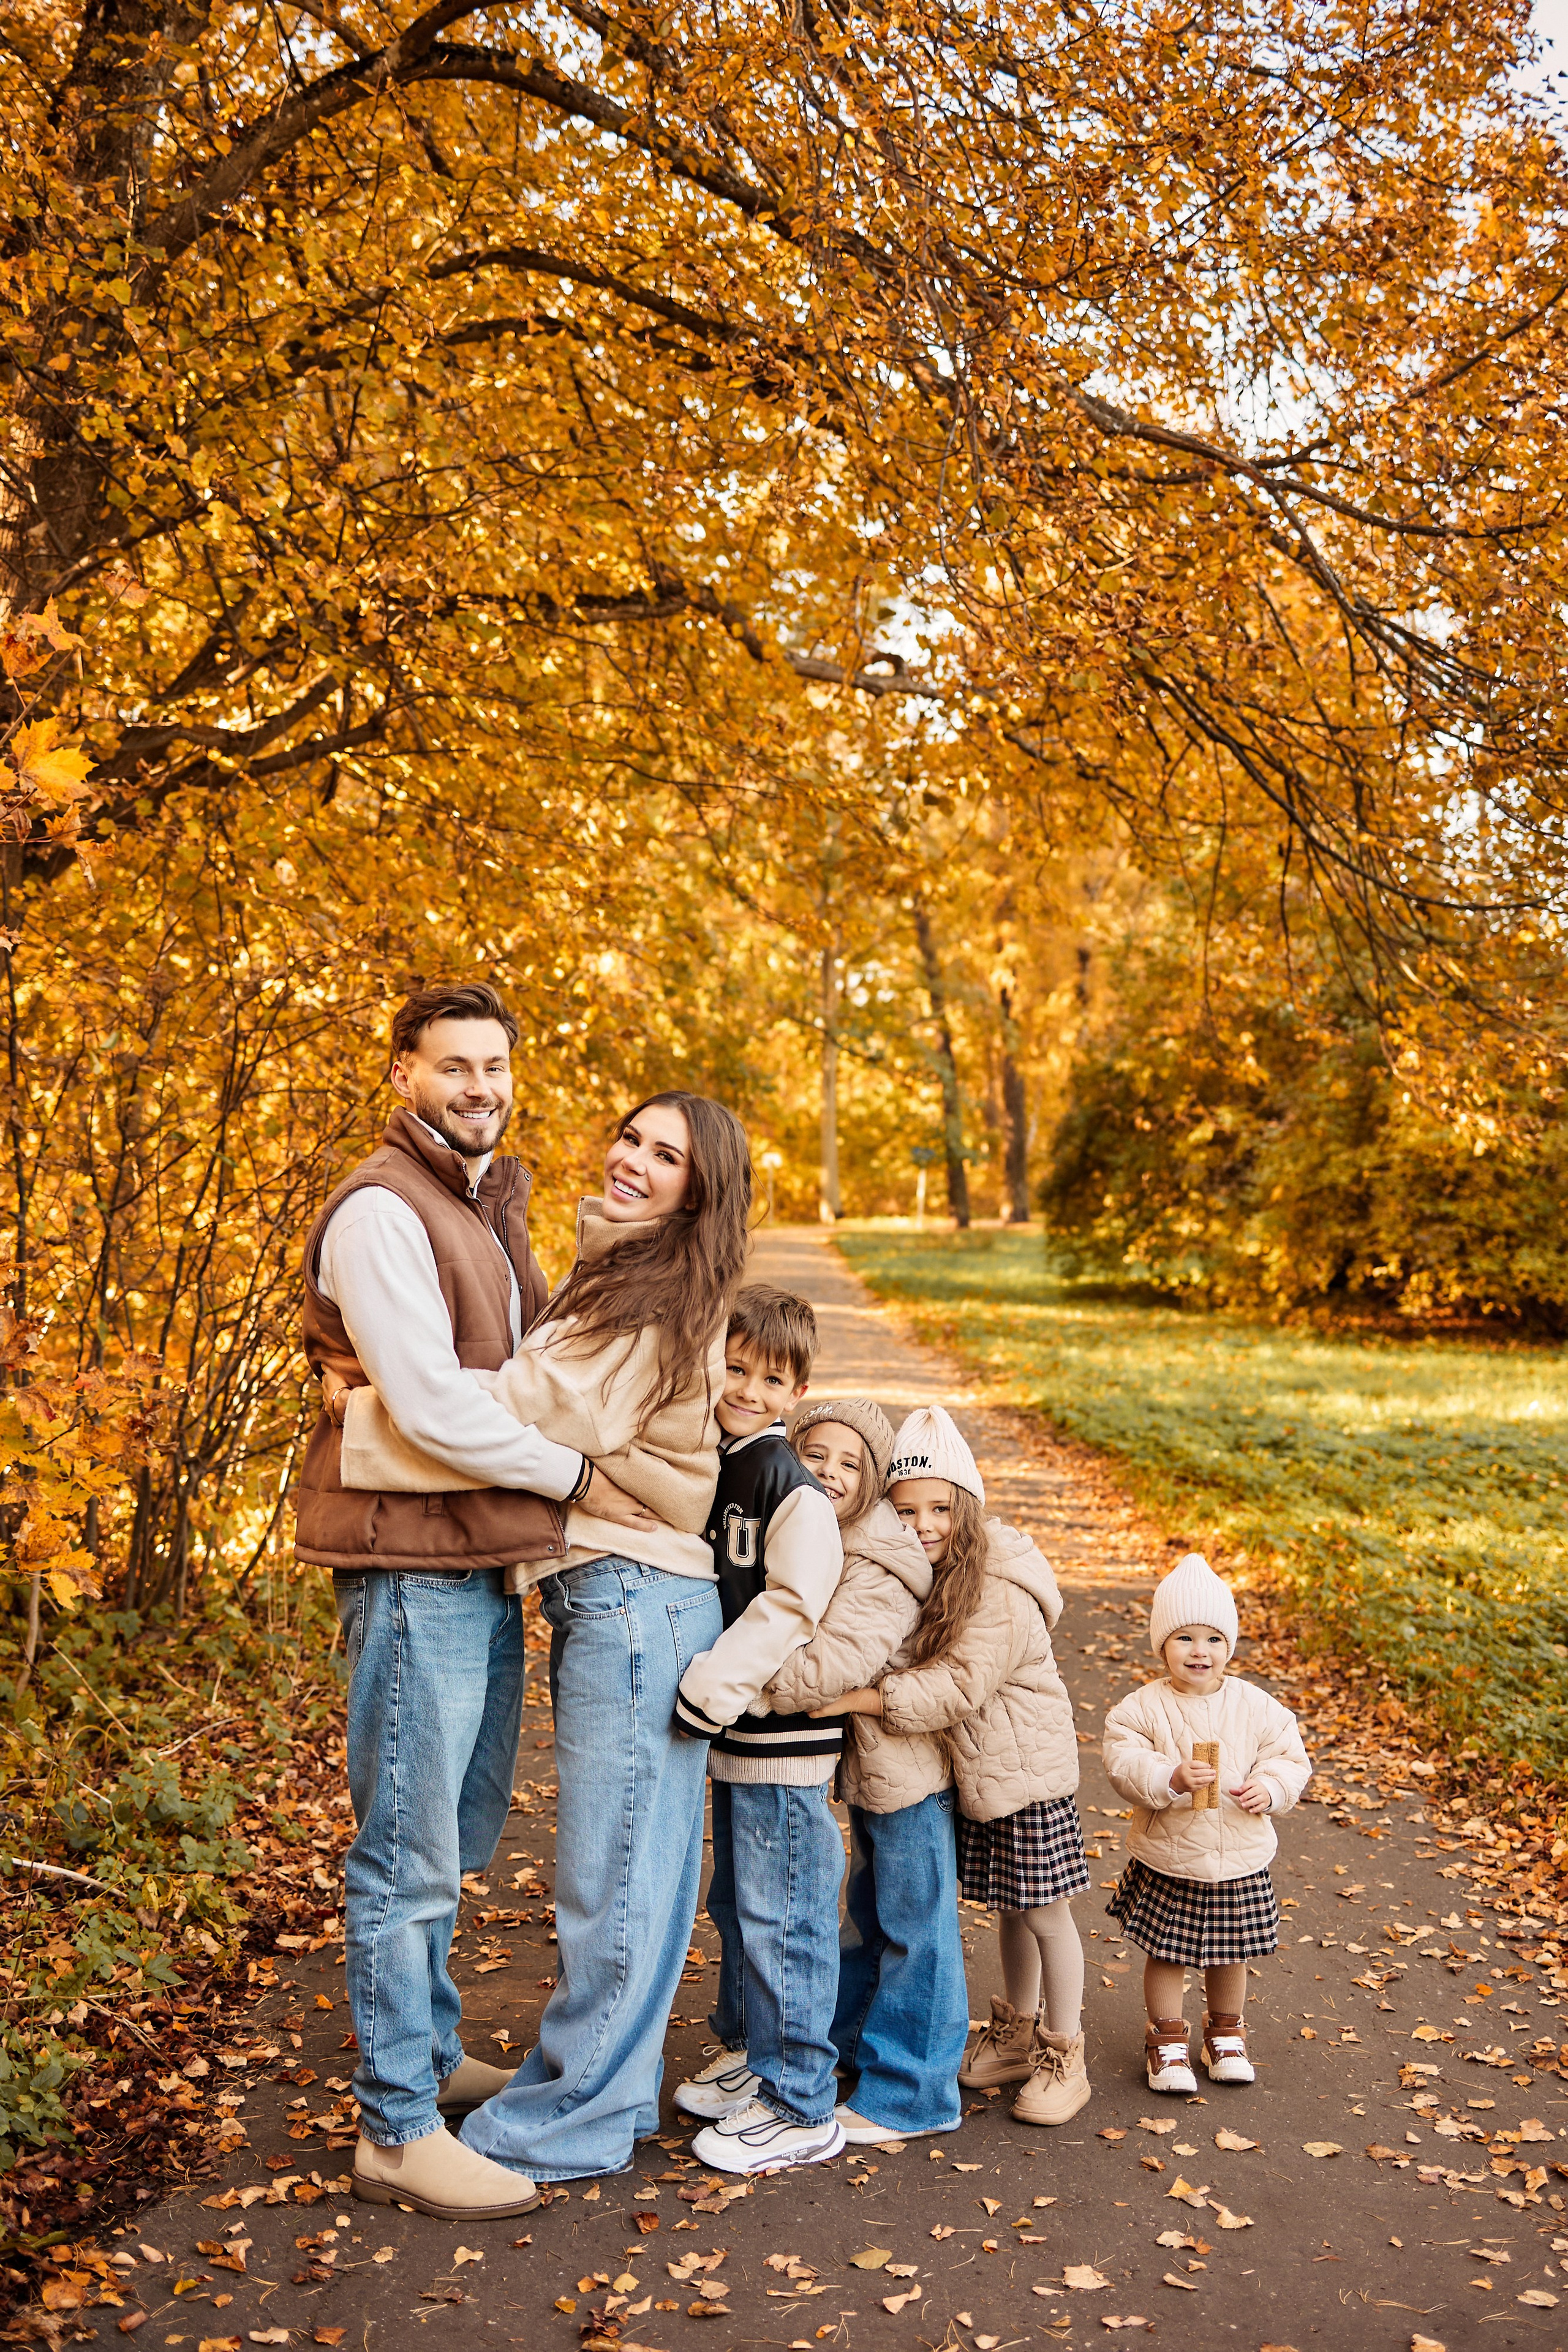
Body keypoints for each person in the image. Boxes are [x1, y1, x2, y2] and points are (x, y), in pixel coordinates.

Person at [322, 1055, 749, 2202]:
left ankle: (570, 2121)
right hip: (620, 1596)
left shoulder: (652, 1292)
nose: (634, 1158)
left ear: (700, 1194)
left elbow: (511, 1408)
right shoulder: (619, 1273)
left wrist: (369, 1394)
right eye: (631, 1134)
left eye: (668, 1155)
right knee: (627, 1878)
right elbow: (537, 1412)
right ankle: (584, 2097)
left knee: (614, 1882)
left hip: (636, 1596)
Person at [827, 1406, 1092, 2131]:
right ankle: (1014, 2033)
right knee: (1012, 1911)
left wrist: (850, 1697)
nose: (924, 1525)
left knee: (1045, 1914)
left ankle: (1065, 2053)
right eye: (906, 1510)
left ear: (967, 1507)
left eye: (941, 1508)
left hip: (1025, 1777)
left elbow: (956, 1687)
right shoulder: (935, 1574)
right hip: (982, 1778)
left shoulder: (996, 1584)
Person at [666, 1291, 848, 2176]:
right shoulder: (717, 1457)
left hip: (777, 1743)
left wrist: (711, 1689)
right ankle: (755, 2057)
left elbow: (790, 1607)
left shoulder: (787, 1485)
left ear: (796, 1390)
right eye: (733, 1366)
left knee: (787, 1921)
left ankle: (803, 2100)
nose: (744, 1387)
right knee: (739, 1908)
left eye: (768, 1377)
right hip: (736, 1745)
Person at [759, 1398, 960, 2146]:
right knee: (874, 1916)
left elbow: (837, 1663)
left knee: (917, 1927)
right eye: (819, 1456)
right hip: (875, 1764)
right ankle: (852, 2048)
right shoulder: (825, 1525)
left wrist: (741, 1688)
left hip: (910, 1765)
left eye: (851, 1464)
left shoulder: (878, 1553)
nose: (832, 1473)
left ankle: (914, 2093)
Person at [1102, 1553, 1311, 2093]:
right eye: (1185, 1639)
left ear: (1230, 1646)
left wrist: (1273, 1785)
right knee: (1168, 1951)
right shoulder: (1141, 1708)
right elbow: (1123, 1764)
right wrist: (1168, 1776)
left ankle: (1226, 2034)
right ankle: (1167, 2040)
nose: (1201, 1652)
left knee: (1231, 1950)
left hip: (1239, 1854)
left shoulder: (1257, 1706)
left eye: (1214, 1639)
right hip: (1171, 1855)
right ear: (1162, 1646)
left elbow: (1288, 1756)